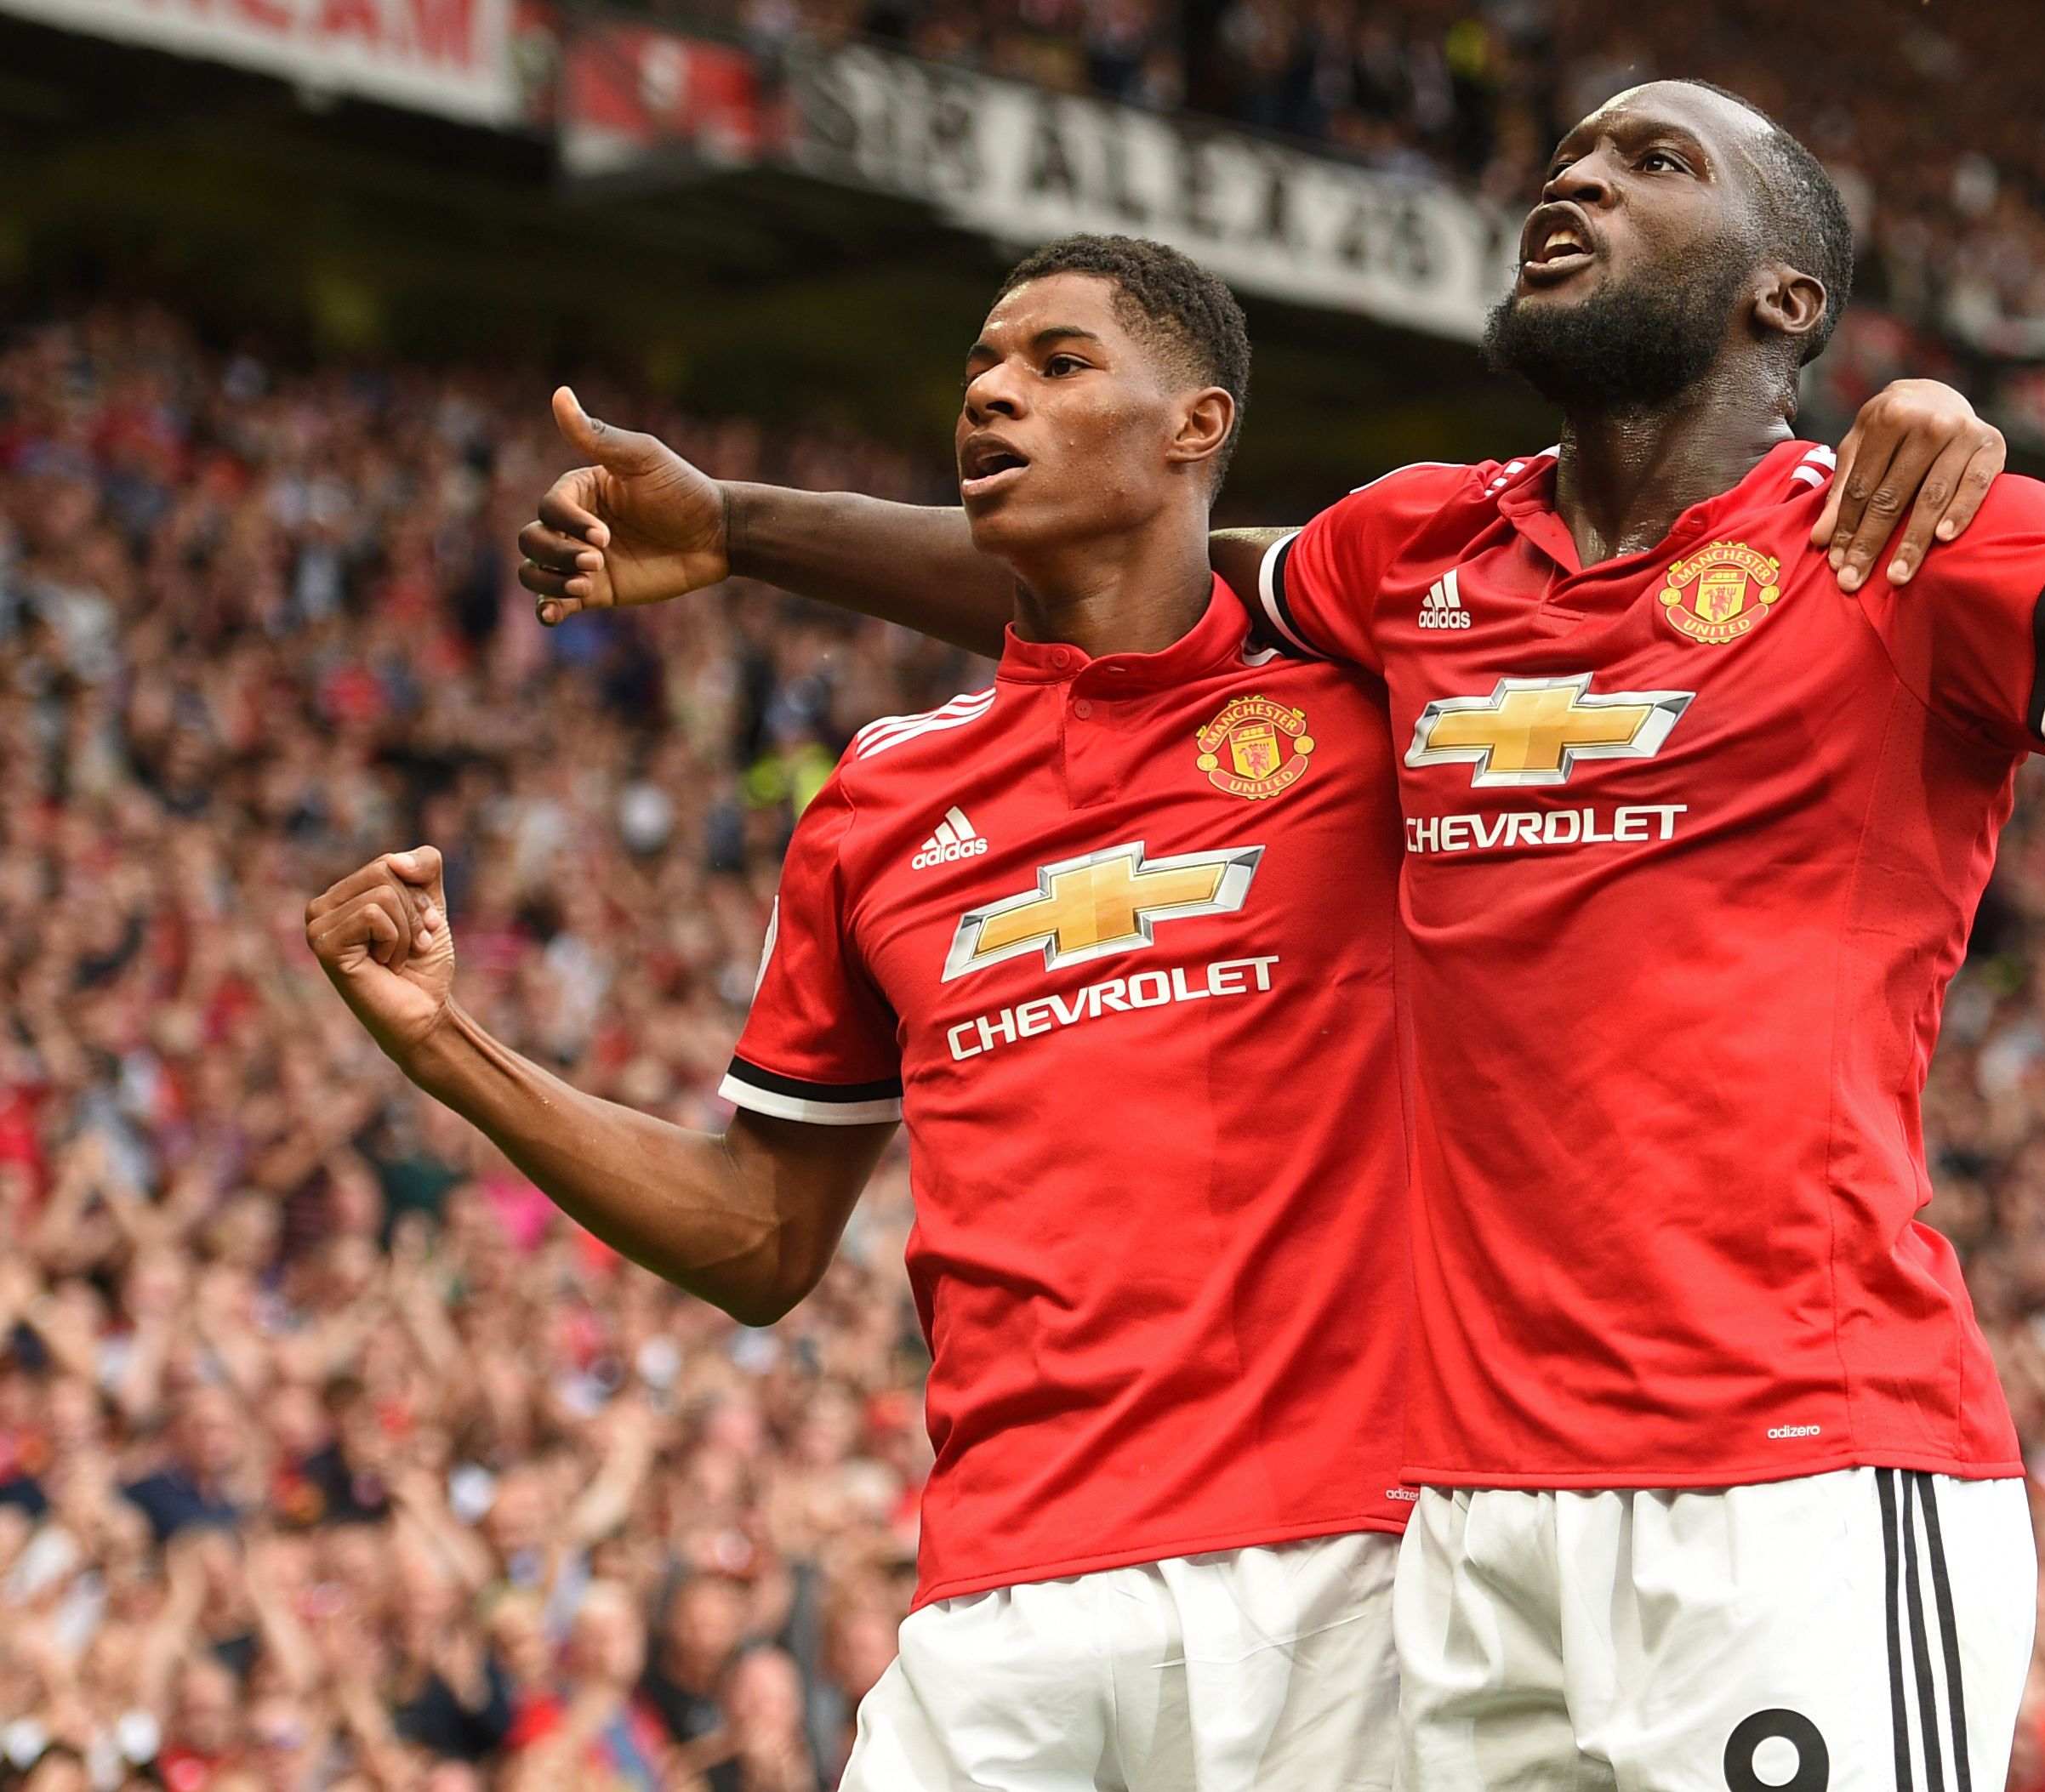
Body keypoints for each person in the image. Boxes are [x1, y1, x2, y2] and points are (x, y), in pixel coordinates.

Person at [517, 91, 2045, 1792]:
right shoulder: (1413, 557)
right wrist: (744, 526)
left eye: (1658, 164)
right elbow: (1120, 569)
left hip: (1803, 1480)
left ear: (1787, 305)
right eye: (1571, 154)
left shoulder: (1898, 540)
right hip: (1476, 1536)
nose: (1577, 177)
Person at [313, 236, 1432, 1792]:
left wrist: (741, 525)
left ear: (1198, 424)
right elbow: (759, 1236)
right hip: (997, 1598)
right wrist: (447, 1045)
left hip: (1343, 1573)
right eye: (979, 364)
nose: (989, 390)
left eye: (1057, 363)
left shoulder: (1371, 714)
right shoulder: (883, 800)